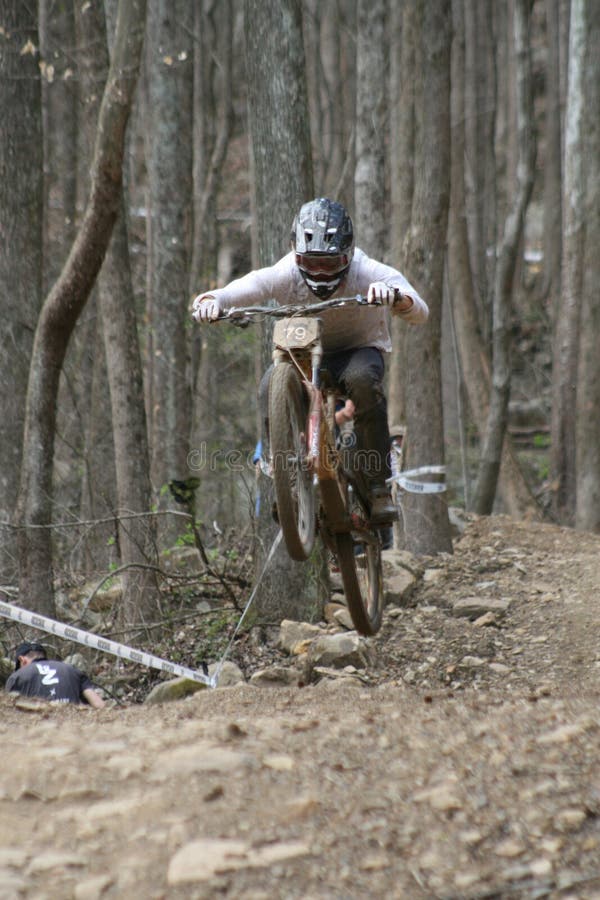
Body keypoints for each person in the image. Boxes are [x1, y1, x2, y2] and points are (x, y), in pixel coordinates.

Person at [192, 197, 429, 526]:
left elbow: (419, 309)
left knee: (363, 381)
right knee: (269, 385)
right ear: (295, 254)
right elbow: (252, 284)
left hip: (357, 350)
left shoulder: (366, 271)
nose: (319, 272)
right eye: (310, 262)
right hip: (307, 355)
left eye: (329, 265)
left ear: (347, 256)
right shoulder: (286, 272)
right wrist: (213, 299)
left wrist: (396, 298)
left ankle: (378, 487)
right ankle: (286, 479)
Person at [5, 641, 105, 708]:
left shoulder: (17, 676)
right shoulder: (72, 670)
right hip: (73, 729)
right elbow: (99, 704)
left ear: (22, 660)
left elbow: (9, 709)